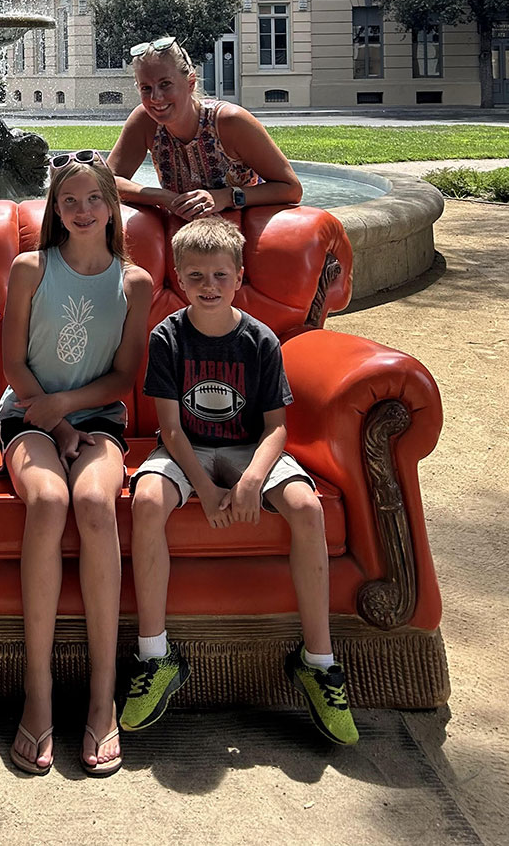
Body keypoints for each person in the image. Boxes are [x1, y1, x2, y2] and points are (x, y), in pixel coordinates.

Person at [121, 217, 358, 745]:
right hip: (187, 448)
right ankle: (155, 656)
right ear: (179, 278)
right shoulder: (167, 337)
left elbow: (277, 428)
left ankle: (319, 661)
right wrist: (205, 490)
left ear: (239, 277)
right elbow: (170, 429)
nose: (208, 286)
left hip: (251, 449)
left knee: (307, 507)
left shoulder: (260, 339)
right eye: (196, 276)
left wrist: (251, 481)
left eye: (220, 276)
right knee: (147, 500)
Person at [0, 151, 153, 777]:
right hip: (29, 413)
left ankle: (101, 695)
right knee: (49, 499)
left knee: (92, 501)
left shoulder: (134, 283)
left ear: (113, 207)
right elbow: (12, 364)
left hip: (98, 416)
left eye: (95, 199)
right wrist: (56, 422)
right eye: (70, 201)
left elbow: (124, 375)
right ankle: (37, 694)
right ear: (55, 210)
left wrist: (71, 410)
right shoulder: (31, 268)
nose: (83, 210)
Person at [107, 35, 302, 222]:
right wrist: (162, 197)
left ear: (190, 83)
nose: (155, 98)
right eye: (146, 88)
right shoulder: (145, 121)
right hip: (185, 235)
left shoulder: (230, 122)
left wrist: (225, 197)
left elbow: (291, 189)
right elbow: (106, 181)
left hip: (241, 231)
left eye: (165, 84)